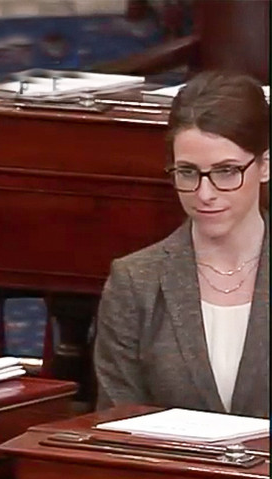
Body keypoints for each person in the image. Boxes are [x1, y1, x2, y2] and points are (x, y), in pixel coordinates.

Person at [94, 71, 269, 418]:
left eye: (226, 171)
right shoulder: (135, 281)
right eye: (187, 172)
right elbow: (117, 424)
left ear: (264, 165)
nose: (205, 194)